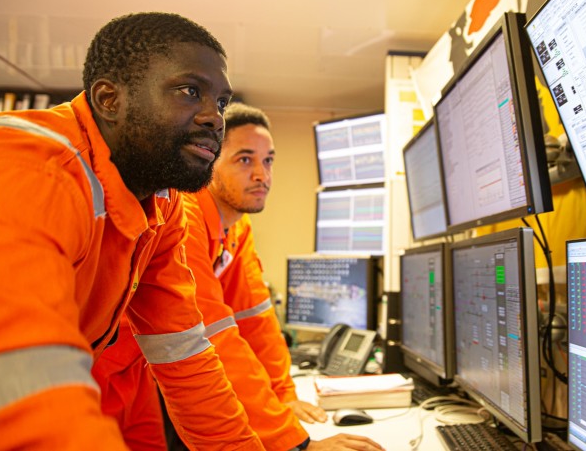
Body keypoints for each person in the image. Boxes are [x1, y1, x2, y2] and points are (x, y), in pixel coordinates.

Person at [0, 12, 265, 450]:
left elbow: (183, 353)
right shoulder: (29, 169)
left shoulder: (160, 201)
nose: (215, 119)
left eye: (219, 103)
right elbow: (15, 388)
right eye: (189, 91)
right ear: (109, 99)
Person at [94, 103, 385, 451]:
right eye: (245, 160)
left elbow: (255, 319)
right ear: (209, 162)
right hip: (105, 375)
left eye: (269, 160)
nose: (262, 174)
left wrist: (284, 397)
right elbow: (214, 334)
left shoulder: (236, 226)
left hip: (147, 376)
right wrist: (296, 444)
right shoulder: (184, 216)